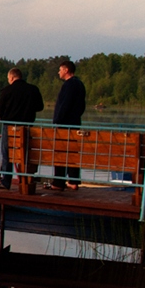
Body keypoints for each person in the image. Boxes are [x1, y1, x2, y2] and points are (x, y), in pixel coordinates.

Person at [0, 68, 44, 190]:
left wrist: (3, 116)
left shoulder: (6, 91)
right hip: (27, 127)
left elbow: (0, 109)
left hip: (10, 127)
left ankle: (6, 182)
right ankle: (25, 180)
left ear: (11, 77)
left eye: (8, 79)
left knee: (7, 153)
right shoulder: (33, 89)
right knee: (26, 153)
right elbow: (40, 107)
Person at [51, 60, 86, 191]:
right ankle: (73, 180)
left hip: (64, 125)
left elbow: (64, 105)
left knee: (60, 152)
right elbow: (82, 106)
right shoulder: (80, 84)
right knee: (73, 152)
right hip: (75, 123)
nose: (58, 72)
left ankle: (58, 182)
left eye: (60, 69)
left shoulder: (68, 85)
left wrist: (57, 121)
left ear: (66, 70)